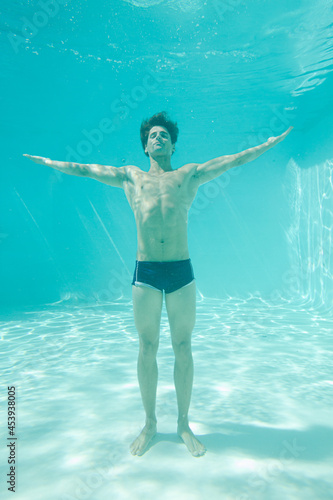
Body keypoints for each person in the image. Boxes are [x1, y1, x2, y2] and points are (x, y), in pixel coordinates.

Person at [24, 111, 292, 457]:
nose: (158, 137)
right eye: (152, 135)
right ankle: (150, 423)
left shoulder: (189, 174)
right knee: (147, 347)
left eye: (164, 134)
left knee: (183, 346)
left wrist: (268, 144)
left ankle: (183, 424)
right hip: (146, 272)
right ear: (145, 146)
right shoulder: (130, 177)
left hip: (181, 271)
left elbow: (234, 160)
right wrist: (48, 161)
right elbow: (85, 169)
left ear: (173, 144)